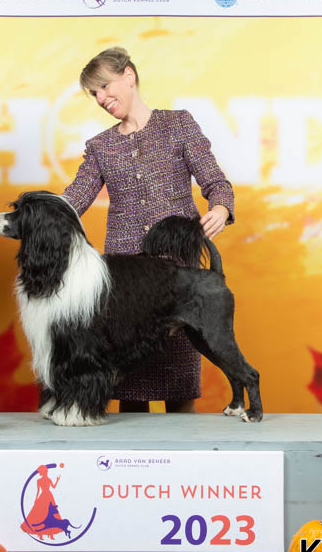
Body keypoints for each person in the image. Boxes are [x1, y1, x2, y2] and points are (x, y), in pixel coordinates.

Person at [62, 47, 234, 414]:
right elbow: (73, 199)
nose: (101, 98)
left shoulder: (179, 124)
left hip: (178, 278)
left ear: (129, 75)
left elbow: (216, 181)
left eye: (104, 86)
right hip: (127, 287)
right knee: (130, 392)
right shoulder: (100, 146)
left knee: (180, 393)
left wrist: (221, 207)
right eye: (94, 93)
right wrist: (33, 214)